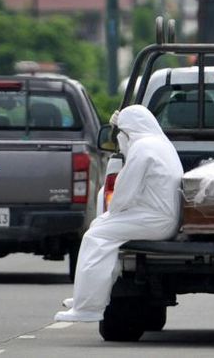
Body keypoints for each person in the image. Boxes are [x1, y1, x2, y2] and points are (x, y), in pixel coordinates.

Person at [54, 105, 183, 322]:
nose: (119, 137)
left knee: (95, 237)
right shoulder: (158, 143)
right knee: (99, 228)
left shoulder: (142, 148)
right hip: (157, 216)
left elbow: (123, 193)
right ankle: (87, 296)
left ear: (128, 130)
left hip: (154, 220)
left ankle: (88, 309)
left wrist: (113, 213)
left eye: (121, 132)